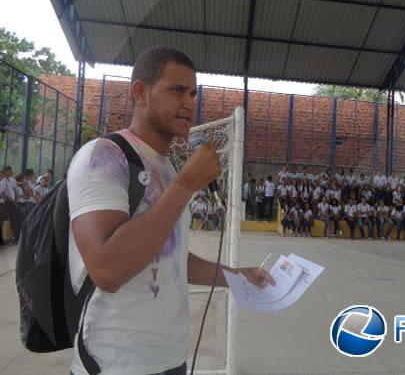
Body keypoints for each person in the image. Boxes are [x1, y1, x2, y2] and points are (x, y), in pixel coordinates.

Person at [66, 47, 274, 375]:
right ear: (140, 93)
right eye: (177, 90)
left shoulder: (168, 169)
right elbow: (106, 270)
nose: (190, 103)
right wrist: (186, 186)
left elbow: (169, 257)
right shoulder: (104, 156)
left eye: (193, 93)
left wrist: (237, 276)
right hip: (114, 363)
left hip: (170, 359)